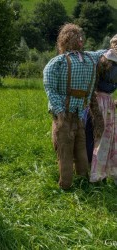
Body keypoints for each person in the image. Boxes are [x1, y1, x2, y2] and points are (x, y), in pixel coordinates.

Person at [43, 23, 104, 190]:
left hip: (65, 115)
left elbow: (50, 89)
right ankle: (83, 179)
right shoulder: (91, 59)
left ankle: (65, 185)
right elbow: (104, 53)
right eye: (79, 37)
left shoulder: (57, 62)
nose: (81, 39)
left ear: (63, 40)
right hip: (79, 113)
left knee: (64, 151)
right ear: (76, 40)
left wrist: (59, 112)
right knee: (80, 147)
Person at [88, 34, 117, 184]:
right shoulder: (105, 60)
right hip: (101, 102)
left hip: (106, 102)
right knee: (102, 138)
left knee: (105, 138)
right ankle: (98, 174)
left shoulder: (103, 58)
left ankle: (101, 173)